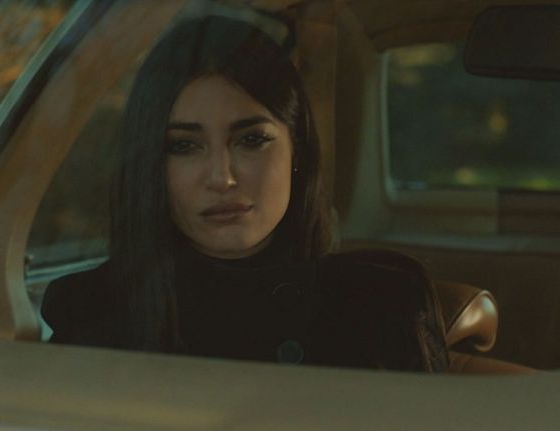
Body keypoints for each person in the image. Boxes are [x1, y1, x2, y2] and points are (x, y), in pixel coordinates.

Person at [42, 15, 449, 372]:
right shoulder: (93, 310)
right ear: (152, 166)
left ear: (297, 150)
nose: (222, 178)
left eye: (251, 140)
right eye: (184, 146)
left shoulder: (381, 302)